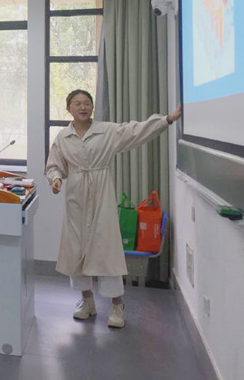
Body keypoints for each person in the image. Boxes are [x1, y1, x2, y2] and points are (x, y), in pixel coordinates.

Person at [46, 89, 182, 329]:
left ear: (92, 107)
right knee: (76, 250)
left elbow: (136, 131)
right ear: (69, 108)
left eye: (87, 103)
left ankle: (117, 304)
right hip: (76, 198)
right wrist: (56, 179)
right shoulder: (63, 137)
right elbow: (54, 165)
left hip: (102, 194)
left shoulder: (106, 131)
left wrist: (167, 120)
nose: (83, 107)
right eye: (77, 103)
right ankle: (87, 301)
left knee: (107, 249)